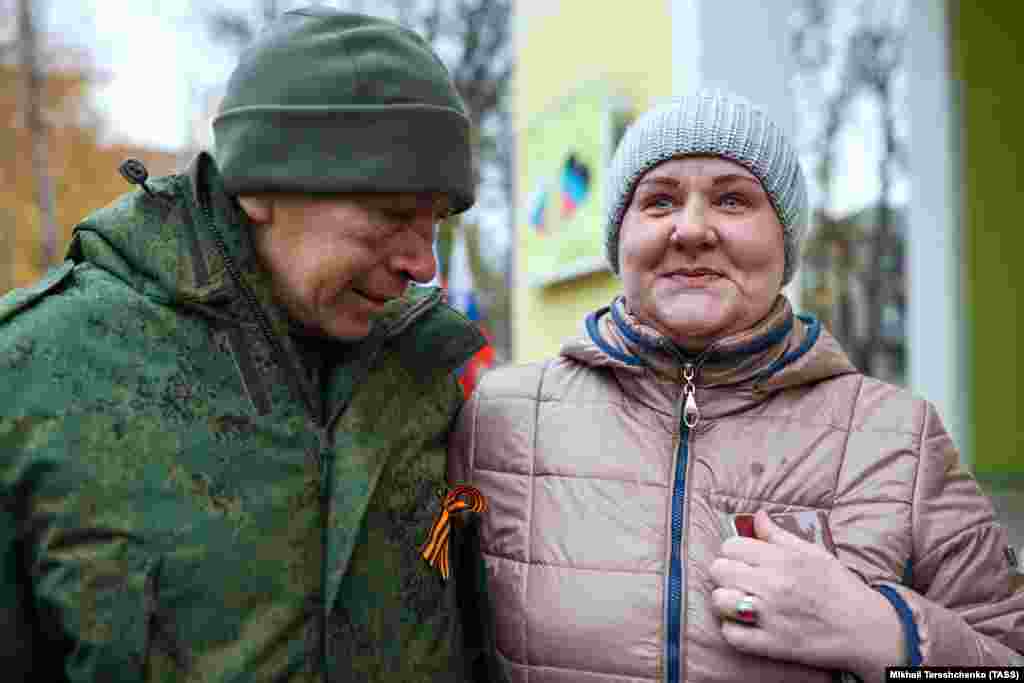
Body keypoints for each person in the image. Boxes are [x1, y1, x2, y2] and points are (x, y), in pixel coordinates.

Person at [449, 91, 1024, 682]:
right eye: (659, 201)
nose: (692, 229)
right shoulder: (498, 421)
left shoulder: (900, 441)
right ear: (619, 239)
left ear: (785, 242)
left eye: (732, 199)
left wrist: (889, 636)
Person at [0, 7, 492, 681]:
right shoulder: (35, 374)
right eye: (391, 213)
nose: (423, 264)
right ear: (260, 185)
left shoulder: (426, 374)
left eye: (434, 221)